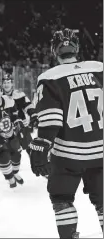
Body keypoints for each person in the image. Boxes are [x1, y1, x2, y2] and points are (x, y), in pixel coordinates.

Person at [28, 28, 103, 238]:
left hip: (69, 154)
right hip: (101, 152)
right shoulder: (99, 68)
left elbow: (51, 120)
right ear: (76, 48)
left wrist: (40, 147)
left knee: (62, 198)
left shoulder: (50, 77)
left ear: (54, 50)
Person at [1, 73, 38, 151]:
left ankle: (35, 161)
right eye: (4, 83)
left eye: (8, 82)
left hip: (20, 125)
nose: (6, 85)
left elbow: (28, 106)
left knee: (30, 148)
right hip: (5, 128)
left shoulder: (19, 95)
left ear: (12, 84)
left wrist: (33, 115)